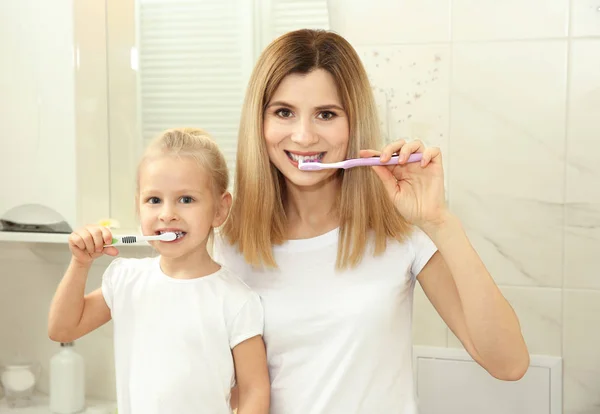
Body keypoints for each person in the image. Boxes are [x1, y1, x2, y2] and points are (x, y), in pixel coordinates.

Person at [213, 29, 529, 414]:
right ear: (258, 123)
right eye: (284, 112)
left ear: (353, 123)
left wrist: (439, 221)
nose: (304, 135)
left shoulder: (399, 234)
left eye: (326, 114)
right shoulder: (229, 245)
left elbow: (508, 363)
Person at [48, 128, 270, 414]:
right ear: (138, 207)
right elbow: (62, 329)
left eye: (186, 199)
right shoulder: (125, 279)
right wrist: (80, 264)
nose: (167, 214)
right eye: (154, 200)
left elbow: (254, 389)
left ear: (219, 209)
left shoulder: (237, 300)